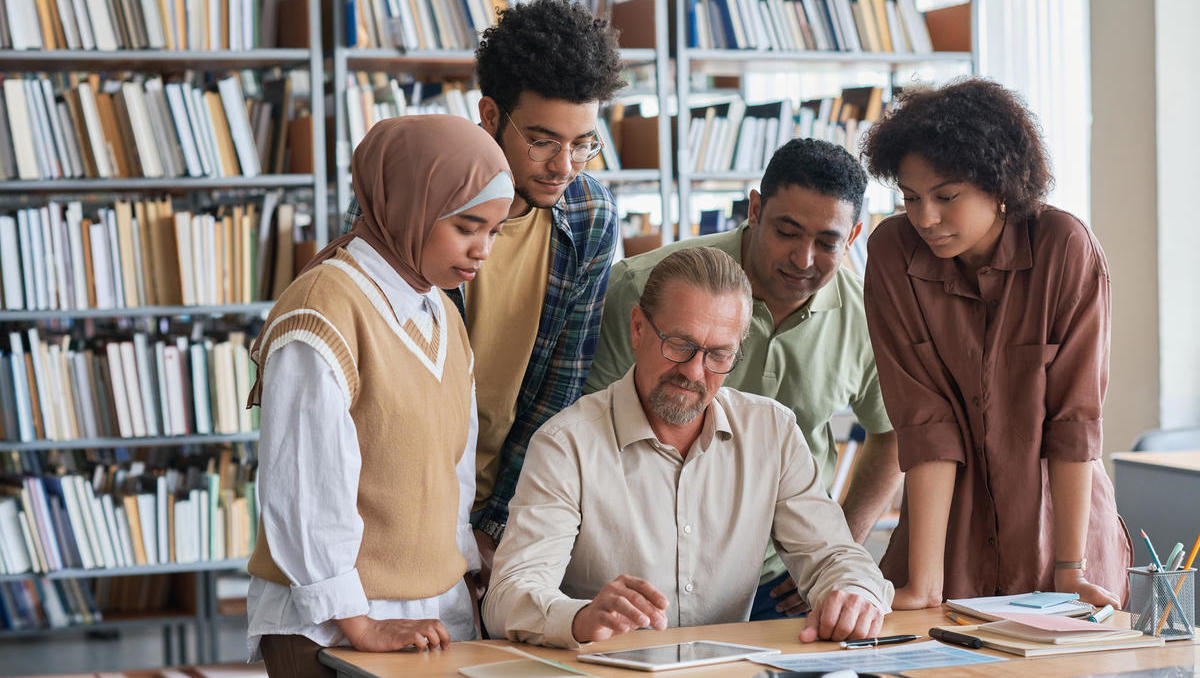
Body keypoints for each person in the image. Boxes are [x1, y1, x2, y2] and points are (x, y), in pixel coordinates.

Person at [483, 247, 893, 648]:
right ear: (638, 328)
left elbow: (834, 556)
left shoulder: (774, 432)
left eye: (718, 354)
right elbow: (507, 597)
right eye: (680, 345)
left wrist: (855, 594)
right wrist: (579, 617)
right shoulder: (566, 444)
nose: (694, 372)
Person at [341, 0, 625, 577]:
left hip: (507, 502)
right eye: (542, 141)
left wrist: (494, 527)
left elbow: (559, 393)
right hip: (387, 502)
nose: (564, 165)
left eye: (583, 143)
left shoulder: (590, 212)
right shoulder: (409, 194)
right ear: (490, 114)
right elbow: (383, 386)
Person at [585, 138, 899, 620]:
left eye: (827, 242)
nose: (803, 258)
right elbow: (592, 431)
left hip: (780, 579)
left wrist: (841, 546)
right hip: (648, 575)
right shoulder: (642, 287)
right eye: (787, 232)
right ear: (754, 209)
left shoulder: (870, 317)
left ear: (854, 235)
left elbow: (890, 434)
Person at [245, 116, 514, 676]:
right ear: (409, 205)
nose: (483, 250)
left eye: (494, 231)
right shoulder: (323, 311)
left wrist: (464, 566)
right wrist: (355, 620)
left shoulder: (440, 308)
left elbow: (451, 468)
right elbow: (302, 486)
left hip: (432, 612)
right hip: (332, 624)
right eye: (468, 227)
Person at [859, 78, 1131, 610]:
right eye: (910, 198)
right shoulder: (892, 254)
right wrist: (926, 581)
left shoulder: (1066, 250)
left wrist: (1069, 568)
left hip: (1062, 532)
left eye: (946, 196)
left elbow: (1074, 422)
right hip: (945, 543)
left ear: (1001, 185)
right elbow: (924, 421)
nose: (925, 218)